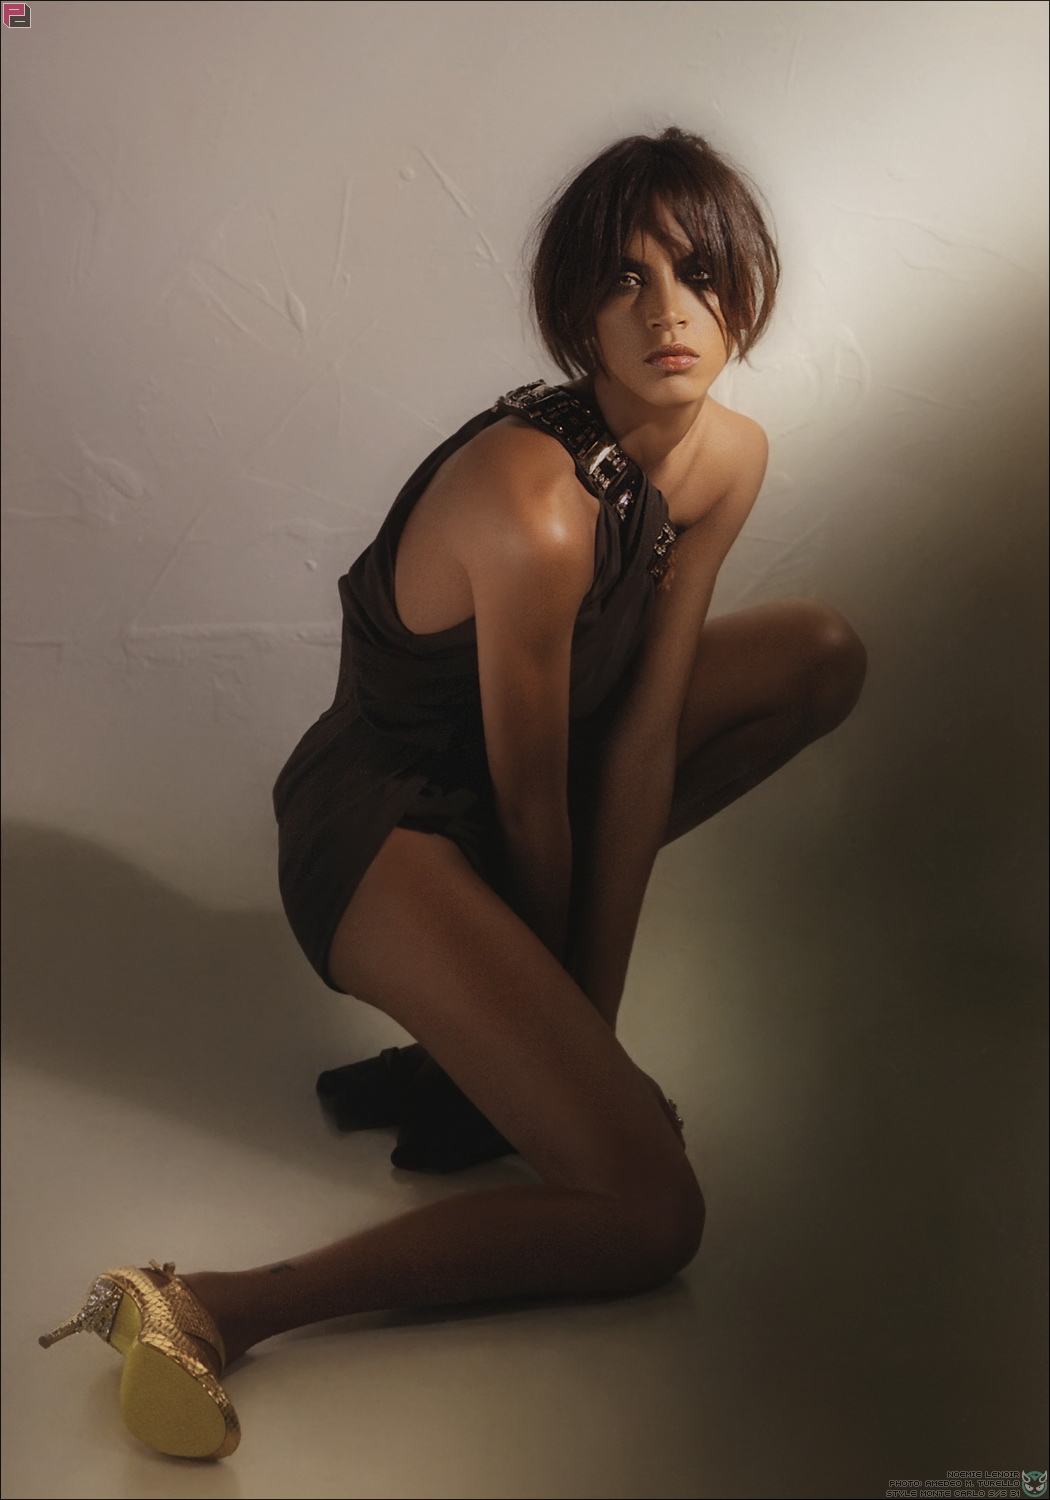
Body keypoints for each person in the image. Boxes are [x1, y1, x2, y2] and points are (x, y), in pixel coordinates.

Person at [39, 126, 867, 1461]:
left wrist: (582, 1047)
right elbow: (535, 810)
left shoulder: (729, 457)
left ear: (742, 291)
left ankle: (506, 1048)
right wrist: (587, 1076)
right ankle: (209, 1306)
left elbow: (639, 746)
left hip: (541, 780)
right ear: (574, 310)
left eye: (698, 274)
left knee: (819, 654)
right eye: (625, 280)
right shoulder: (535, 509)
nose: (667, 313)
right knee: (651, 1215)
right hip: (388, 823)